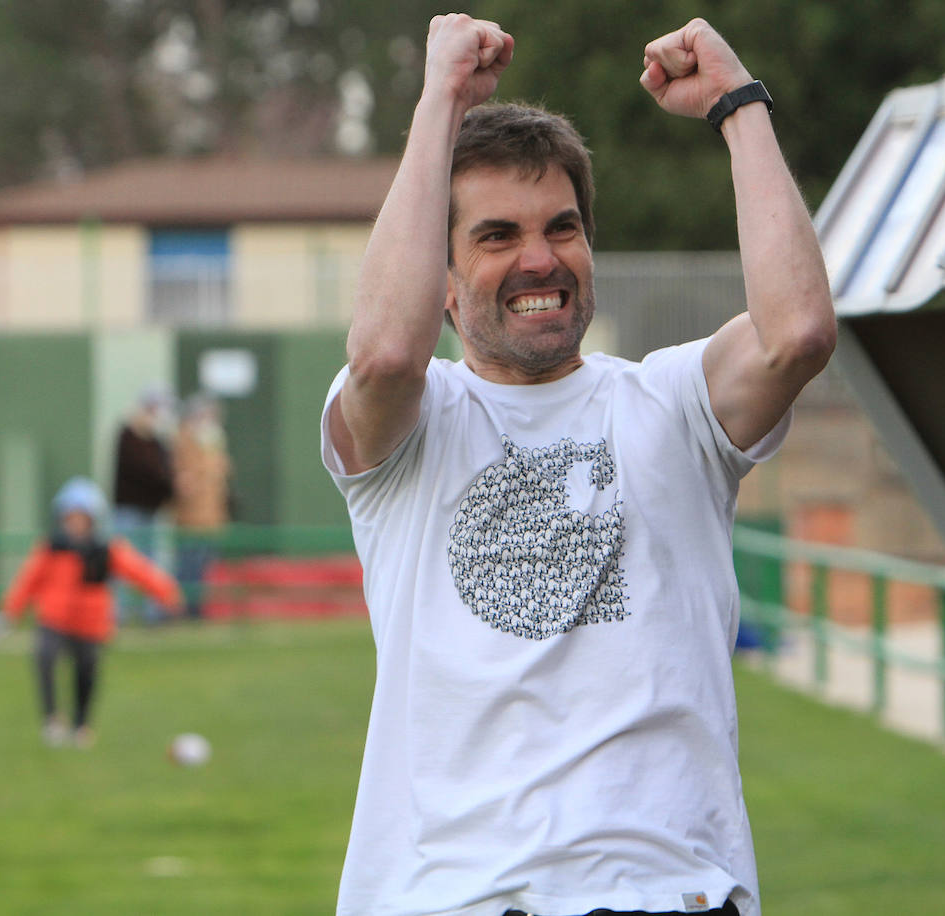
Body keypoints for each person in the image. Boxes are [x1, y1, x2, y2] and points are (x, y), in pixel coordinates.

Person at [320, 15, 834, 916]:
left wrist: (739, 106)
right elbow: (387, 357)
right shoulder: (412, 427)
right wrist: (439, 100)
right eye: (494, 236)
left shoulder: (672, 405)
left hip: (673, 896)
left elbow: (798, 334)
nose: (538, 259)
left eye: (562, 228)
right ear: (439, 283)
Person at [2, 477, 182, 748]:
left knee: (86, 673)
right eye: (70, 517)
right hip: (54, 618)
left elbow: (139, 572)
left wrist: (166, 592)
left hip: (90, 624)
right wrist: (11, 610)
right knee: (45, 656)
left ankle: (81, 726)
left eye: (81, 518)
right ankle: (52, 720)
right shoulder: (52, 548)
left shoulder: (106, 550)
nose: (75, 524)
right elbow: (29, 579)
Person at [112, 386, 175, 625]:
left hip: (151, 510)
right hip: (128, 510)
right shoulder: (127, 436)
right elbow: (146, 471)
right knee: (122, 562)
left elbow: (165, 471)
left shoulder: (157, 441)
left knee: (150, 563)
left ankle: (153, 613)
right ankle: (119, 614)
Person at [172, 392, 231, 620]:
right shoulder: (184, 439)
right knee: (188, 564)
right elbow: (186, 480)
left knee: (205, 565)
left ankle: (197, 609)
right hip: (190, 518)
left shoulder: (214, 442)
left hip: (212, 517)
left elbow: (222, 475)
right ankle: (185, 610)